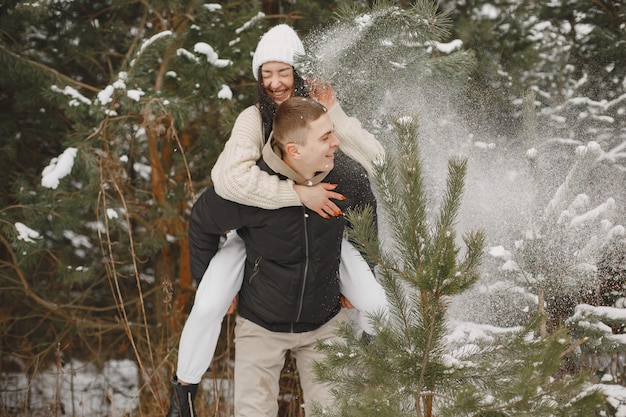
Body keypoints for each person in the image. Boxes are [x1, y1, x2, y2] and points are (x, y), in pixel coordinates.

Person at [166, 24, 388, 417]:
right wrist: (297, 194)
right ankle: (184, 390)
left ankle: (377, 375)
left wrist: (333, 110)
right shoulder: (253, 117)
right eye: (266, 74)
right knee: (208, 303)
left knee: (376, 303)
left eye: (283, 71)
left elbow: (372, 163)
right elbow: (227, 180)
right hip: (257, 220)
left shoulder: (320, 112)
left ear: (298, 72)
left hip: (321, 235)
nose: (274, 83)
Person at [192, 97, 377, 416]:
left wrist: (359, 279)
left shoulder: (346, 179)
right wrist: (211, 283)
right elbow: (202, 222)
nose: (337, 142)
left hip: (326, 322)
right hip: (261, 323)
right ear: (295, 150)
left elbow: (366, 223)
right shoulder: (251, 187)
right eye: (325, 138)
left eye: (332, 133)